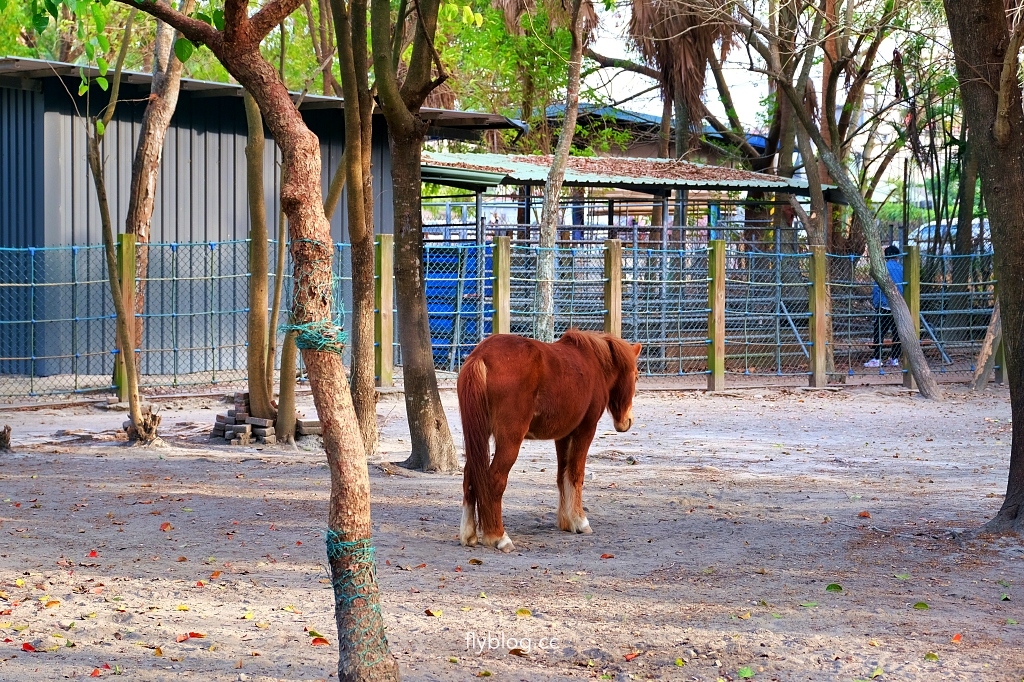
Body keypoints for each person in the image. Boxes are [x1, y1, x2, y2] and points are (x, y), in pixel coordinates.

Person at [865, 244, 904, 368]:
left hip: (884, 305)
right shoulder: (902, 269)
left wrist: (876, 303)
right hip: (899, 305)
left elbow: (877, 288)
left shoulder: (882, 268)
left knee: (879, 332)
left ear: (886, 256)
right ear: (897, 256)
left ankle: (877, 358)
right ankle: (895, 358)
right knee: (897, 332)